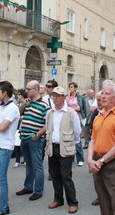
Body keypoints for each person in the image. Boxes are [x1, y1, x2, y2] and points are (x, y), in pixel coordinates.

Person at [88, 80, 115, 215]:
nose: (103, 96)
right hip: (98, 162)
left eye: (108, 93)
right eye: (102, 93)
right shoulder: (98, 116)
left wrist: (101, 161)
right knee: (104, 201)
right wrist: (90, 159)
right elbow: (92, 140)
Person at [45, 86, 80, 214]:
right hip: (52, 147)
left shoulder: (71, 112)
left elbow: (77, 131)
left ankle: (73, 202)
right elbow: (48, 129)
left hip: (65, 147)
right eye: (53, 96)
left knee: (66, 176)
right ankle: (58, 199)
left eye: (57, 96)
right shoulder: (50, 112)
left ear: (64, 98)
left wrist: (72, 144)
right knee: (55, 175)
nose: (54, 98)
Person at [0, 81, 20, 215]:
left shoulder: (12, 108)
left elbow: (1, 127)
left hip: (5, 147)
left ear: (5, 93)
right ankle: (3, 205)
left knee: (1, 178)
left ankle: (2, 208)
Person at [16, 80, 50, 201]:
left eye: (28, 89)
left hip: (35, 139)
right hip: (24, 138)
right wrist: (23, 105)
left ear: (36, 90)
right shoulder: (27, 103)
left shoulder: (44, 106)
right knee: (28, 164)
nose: (26, 91)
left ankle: (38, 190)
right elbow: (17, 114)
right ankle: (28, 186)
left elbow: (48, 124)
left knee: (37, 165)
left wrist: (38, 134)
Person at [66, 82, 86, 166]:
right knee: (69, 138)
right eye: (69, 87)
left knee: (77, 139)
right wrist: (67, 96)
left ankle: (80, 159)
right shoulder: (67, 97)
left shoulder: (80, 97)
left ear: (75, 88)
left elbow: (80, 108)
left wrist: (71, 108)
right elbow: (65, 106)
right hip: (68, 119)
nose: (70, 88)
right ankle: (71, 157)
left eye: (71, 87)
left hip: (77, 118)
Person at [89, 91, 103, 206]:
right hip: (96, 148)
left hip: (107, 150)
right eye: (97, 100)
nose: (99, 103)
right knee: (97, 177)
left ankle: (107, 197)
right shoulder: (96, 113)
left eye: (100, 100)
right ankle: (100, 196)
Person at [13, 89, 27, 168]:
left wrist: (23, 117)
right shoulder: (17, 103)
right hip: (16, 125)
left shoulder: (26, 102)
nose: (17, 96)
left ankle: (25, 160)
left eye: (19, 94)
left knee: (23, 144)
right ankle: (17, 161)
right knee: (16, 144)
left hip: (23, 125)